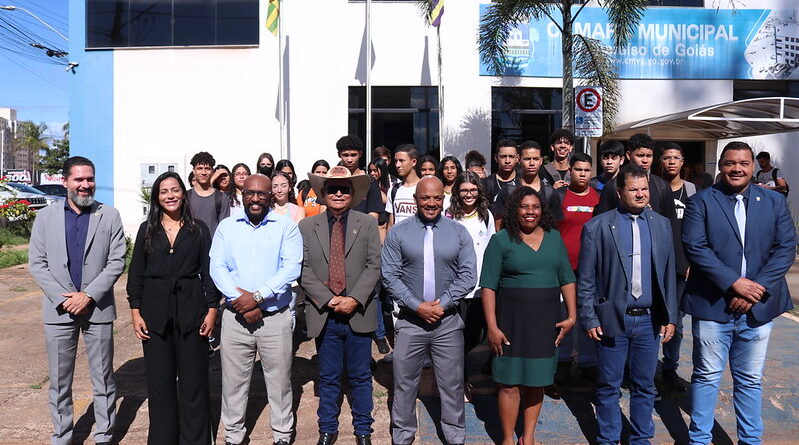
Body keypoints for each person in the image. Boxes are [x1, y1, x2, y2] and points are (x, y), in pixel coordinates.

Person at [682, 141, 796, 445]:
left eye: (744, 163)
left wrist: (752, 291)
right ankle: (700, 440)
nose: (737, 169)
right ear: (721, 165)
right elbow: (696, 247)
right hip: (712, 305)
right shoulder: (702, 201)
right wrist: (735, 283)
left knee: (750, 380)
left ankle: (750, 440)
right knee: (706, 376)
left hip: (758, 309)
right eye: (731, 163)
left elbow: (785, 249)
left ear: (752, 167)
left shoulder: (773, 202)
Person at [29, 156, 127, 445]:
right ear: (65, 182)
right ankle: (62, 435)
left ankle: (104, 435)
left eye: (90, 179)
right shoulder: (45, 218)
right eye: (79, 180)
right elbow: (37, 263)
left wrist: (88, 295)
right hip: (59, 310)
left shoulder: (109, 216)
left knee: (103, 378)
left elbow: (116, 260)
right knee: (59, 381)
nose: (86, 185)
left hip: (97, 308)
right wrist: (65, 298)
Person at [578, 165, 678, 445]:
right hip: (613, 319)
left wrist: (670, 317)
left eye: (644, 188)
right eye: (633, 189)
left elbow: (668, 274)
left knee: (645, 386)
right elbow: (586, 278)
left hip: (648, 321)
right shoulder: (597, 226)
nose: (640, 194)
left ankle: (640, 439)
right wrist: (589, 317)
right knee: (609, 386)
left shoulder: (661, 224)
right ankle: (608, 439)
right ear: (620, 192)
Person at [382, 176, 476, 445]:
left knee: (451, 383)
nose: (431, 203)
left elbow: (468, 275)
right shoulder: (398, 233)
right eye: (425, 198)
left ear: (443, 199)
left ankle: (454, 435)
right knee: (404, 383)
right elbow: (389, 275)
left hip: (447, 322)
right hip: (411, 321)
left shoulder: (458, 233)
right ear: (415, 201)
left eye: (436, 198)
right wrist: (417, 306)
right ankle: (402, 435)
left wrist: (443, 303)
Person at [209, 173, 303, 445]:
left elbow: (290, 268)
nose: (255, 198)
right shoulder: (227, 227)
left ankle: (282, 434)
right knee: (234, 382)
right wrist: (240, 301)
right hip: (236, 318)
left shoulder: (286, 227)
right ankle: (234, 435)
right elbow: (217, 267)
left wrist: (258, 297)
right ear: (242, 194)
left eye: (262, 193)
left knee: (280, 382)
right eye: (250, 193)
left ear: (271, 196)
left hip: (275, 318)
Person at [480, 186, 576, 445]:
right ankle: (508, 439)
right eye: (524, 207)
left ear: (542, 210)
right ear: (515, 210)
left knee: (537, 380)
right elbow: (488, 286)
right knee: (509, 383)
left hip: (545, 322)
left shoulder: (555, 238)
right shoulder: (501, 240)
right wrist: (492, 326)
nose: (530, 212)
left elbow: (567, 277)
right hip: (511, 322)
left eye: (535, 207)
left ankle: (529, 437)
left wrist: (572, 316)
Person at [126, 171, 217, 445]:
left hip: (192, 311)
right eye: (164, 191)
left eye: (175, 190)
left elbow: (209, 272)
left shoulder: (199, 229)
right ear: (157, 197)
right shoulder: (147, 229)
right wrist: (135, 312)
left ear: (183, 193)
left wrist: (212, 310)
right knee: (160, 385)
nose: (170, 196)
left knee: (194, 382)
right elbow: (136, 274)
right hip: (155, 314)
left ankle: (196, 439)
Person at [299, 166, 381, 445]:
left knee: (360, 375)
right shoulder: (307, 227)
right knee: (328, 376)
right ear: (322, 193)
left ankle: (363, 430)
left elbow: (374, 266)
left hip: (358, 311)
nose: (337, 193)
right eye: (332, 189)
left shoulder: (367, 224)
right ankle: (327, 429)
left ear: (352, 194)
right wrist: (329, 299)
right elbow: (303, 269)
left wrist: (354, 298)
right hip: (326, 313)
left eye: (344, 189)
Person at [594, 134, 687, 292]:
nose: (645, 160)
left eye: (649, 156)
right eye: (640, 155)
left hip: (654, 260)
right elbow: (600, 227)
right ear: (629, 156)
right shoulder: (612, 187)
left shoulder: (662, 187)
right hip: (620, 260)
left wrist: (681, 265)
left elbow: (673, 227)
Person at [447, 171, 495, 400]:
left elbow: (492, 247)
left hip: (481, 287)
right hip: (457, 289)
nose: (469, 194)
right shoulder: (449, 217)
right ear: (457, 192)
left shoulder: (486, 216)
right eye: (464, 190)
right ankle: (460, 381)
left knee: (479, 335)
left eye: (473, 190)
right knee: (459, 337)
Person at [554, 152, 600, 386]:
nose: (582, 174)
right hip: (563, 269)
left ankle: (588, 362)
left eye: (586, 170)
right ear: (570, 170)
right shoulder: (559, 195)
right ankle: (561, 362)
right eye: (578, 169)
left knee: (586, 315)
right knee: (563, 317)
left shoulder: (599, 198)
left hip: (589, 269)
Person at [658, 142, 696, 391]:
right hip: (656, 264)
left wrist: (693, 261)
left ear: (683, 162)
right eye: (667, 158)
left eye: (676, 158)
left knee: (677, 323)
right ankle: (645, 369)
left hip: (682, 266)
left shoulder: (691, 190)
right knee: (651, 321)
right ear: (661, 162)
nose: (671, 162)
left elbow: (698, 230)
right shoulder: (653, 187)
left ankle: (670, 367)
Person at [493, 140, 564, 230]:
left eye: (535, 159)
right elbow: (499, 225)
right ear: (519, 159)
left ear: (541, 161)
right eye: (527, 159)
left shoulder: (550, 192)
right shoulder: (508, 191)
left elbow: (556, 226)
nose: (531, 163)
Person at [336, 135, 384, 218]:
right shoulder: (332, 180)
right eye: (346, 155)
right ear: (339, 155)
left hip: (362, 229)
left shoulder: (369, 181)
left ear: (360, 154)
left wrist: (364, 230)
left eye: (353, 155)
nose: (350, 160)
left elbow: (374, 214)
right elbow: (323, 210)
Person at [186, 151, 231, 236]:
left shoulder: (222, 198)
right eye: (199, 168)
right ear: (193, 171)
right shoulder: (185, 197)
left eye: (207, 168)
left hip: (213, 247)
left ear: (213, 171)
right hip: (190, 246)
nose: (203, 172)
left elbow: (225, 229)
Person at [386, 143, 422, 230]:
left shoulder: (424, 188)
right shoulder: (393, 190)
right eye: (396, 161)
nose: (397, 165)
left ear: (413, 162)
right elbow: (391, 224)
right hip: (397, 242)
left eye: (401, 161)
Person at [483, 139, 519, 209]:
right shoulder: (486, 184)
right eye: (503, 157)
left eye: (511, 156)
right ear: (496, 158)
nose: (507, 161)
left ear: (517, 158)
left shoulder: (523, 183)